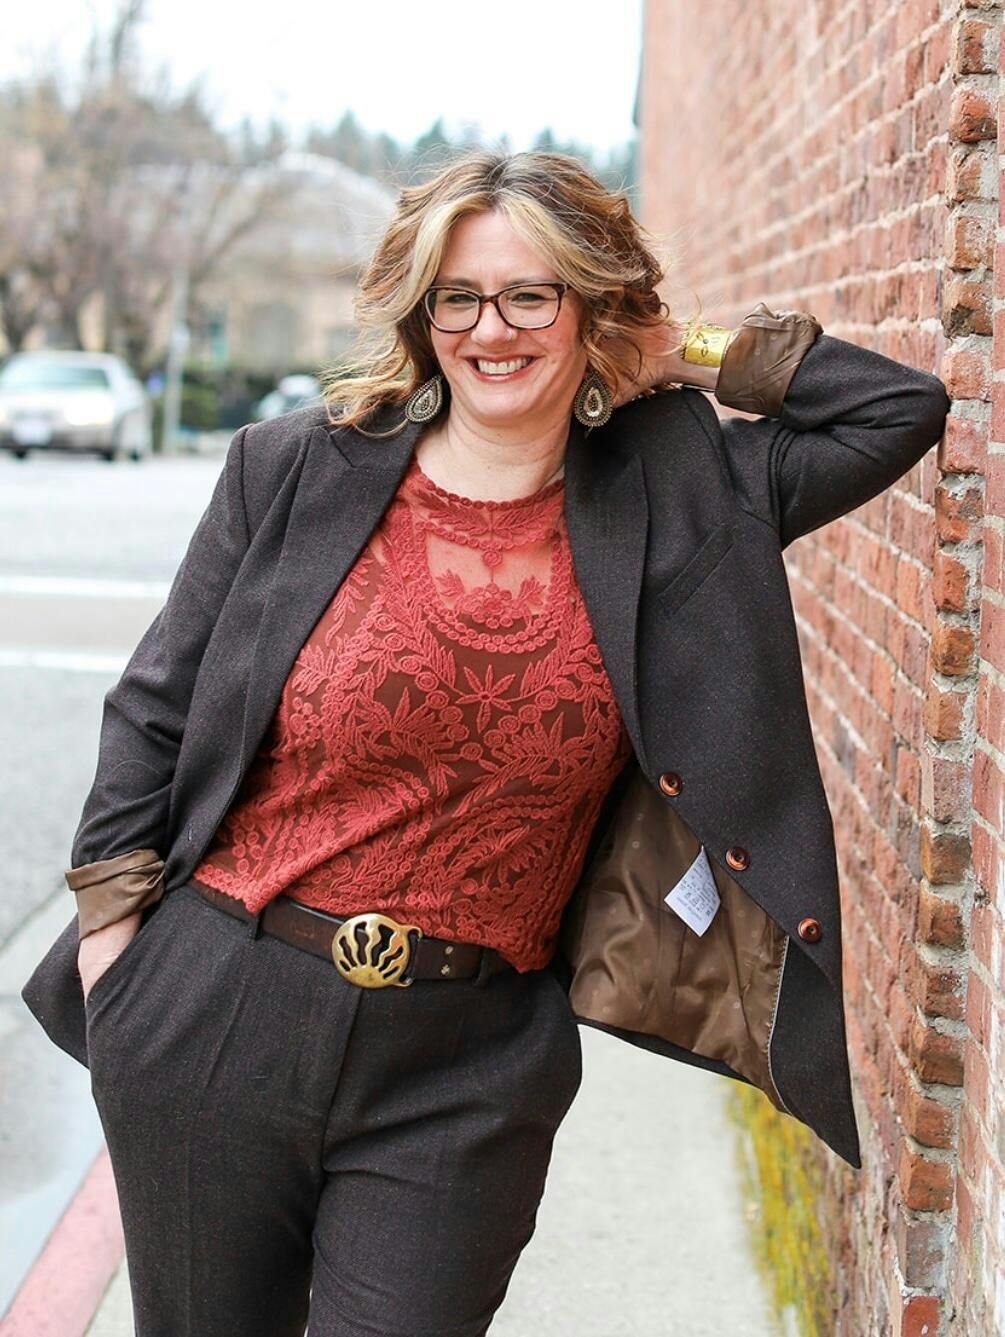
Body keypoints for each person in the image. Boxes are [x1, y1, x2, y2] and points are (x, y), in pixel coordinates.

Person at [22, 149, 951, 1336]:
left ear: (590, 305)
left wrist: (677, 348)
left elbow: (895, 410)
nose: (489, 328)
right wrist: (114, 954)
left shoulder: (682, 495)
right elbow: (156, 704)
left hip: (467, 1062)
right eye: (457, 296)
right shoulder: (294, 468)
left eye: (529, 294)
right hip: (220, 1007)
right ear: (423, 313)